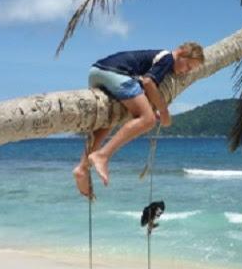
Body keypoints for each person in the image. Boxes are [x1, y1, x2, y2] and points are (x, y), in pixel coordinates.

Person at [73, 42, 205, 197]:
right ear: (181, 52)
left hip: (97, 71)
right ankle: (102, 155)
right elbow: (148, 82)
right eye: (188, 66)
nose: (185, 72)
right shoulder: (168, 58)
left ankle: (82, 168)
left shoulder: (160, 58)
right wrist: (163, 111)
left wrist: (151, 107)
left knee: (108, 121)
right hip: (115, 73)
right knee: (148, 120)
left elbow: (144, 85)